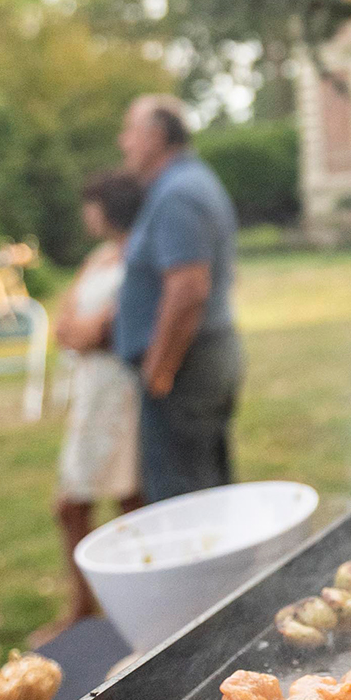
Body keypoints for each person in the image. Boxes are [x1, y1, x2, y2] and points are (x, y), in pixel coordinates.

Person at [115, 94, 242, 503]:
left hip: (185, 368)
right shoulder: (183, 184)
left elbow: (188, 288)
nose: (123, 142)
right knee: (206, 494)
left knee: (186, 503)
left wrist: (160, 369)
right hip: (198, 360)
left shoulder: (178, 193)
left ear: (156, 137)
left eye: (130, 131)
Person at [42, 170, 145, 635]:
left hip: (117, 391)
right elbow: (66, 323)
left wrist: (81, 334)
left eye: (91, 204)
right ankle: (87, 605)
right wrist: (76, 332)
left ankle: (110, 607)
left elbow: (98, 331)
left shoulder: (135, 258)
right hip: (89, 389)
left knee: (116, 498)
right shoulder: (99, 256)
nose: (86, 214)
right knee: (95, 500)